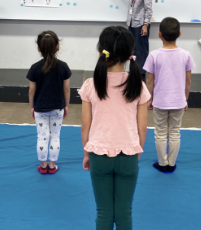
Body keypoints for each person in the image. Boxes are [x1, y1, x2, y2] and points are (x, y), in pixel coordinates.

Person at [80, 26, 150, 229]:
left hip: (98, 155)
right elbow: (142, 128)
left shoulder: (90, 85)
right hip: (128, 154)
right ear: (130, 53)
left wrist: (87, 154)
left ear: (101, 50)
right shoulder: (138, 85)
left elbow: (86, 126)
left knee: (103, 212)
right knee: (124, 212)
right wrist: (136, 152)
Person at [143, 17, 195, 173]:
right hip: (178, 101)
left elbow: (150, 80)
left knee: (160, 132)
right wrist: (185, 99)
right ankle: (171, 163)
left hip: (160, 100)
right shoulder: (186, 55)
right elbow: (188, 81)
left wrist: (149, 98)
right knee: (174, 132)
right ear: (179, 33)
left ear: (159, 34)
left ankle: (162, 162)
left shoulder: (154, 55)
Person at [27, 31, 71, 174]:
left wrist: (32, 106)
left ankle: (43, 165)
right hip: (57, 107)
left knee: (42, 136)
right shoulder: (63, 67)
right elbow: (67, 89)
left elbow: (31, 91)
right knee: (55, 136)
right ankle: (52, 165)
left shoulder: (34, 68)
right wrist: (66, 105)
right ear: (57, 47)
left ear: (39, 48)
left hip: (40, 108)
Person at [104, 0, 154, 80]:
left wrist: (146, 24)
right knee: (132, 49)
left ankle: (141, 77)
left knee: (141, 51)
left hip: (141, 24)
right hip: (131, 23)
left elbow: (148, 8)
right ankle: (133, 74)